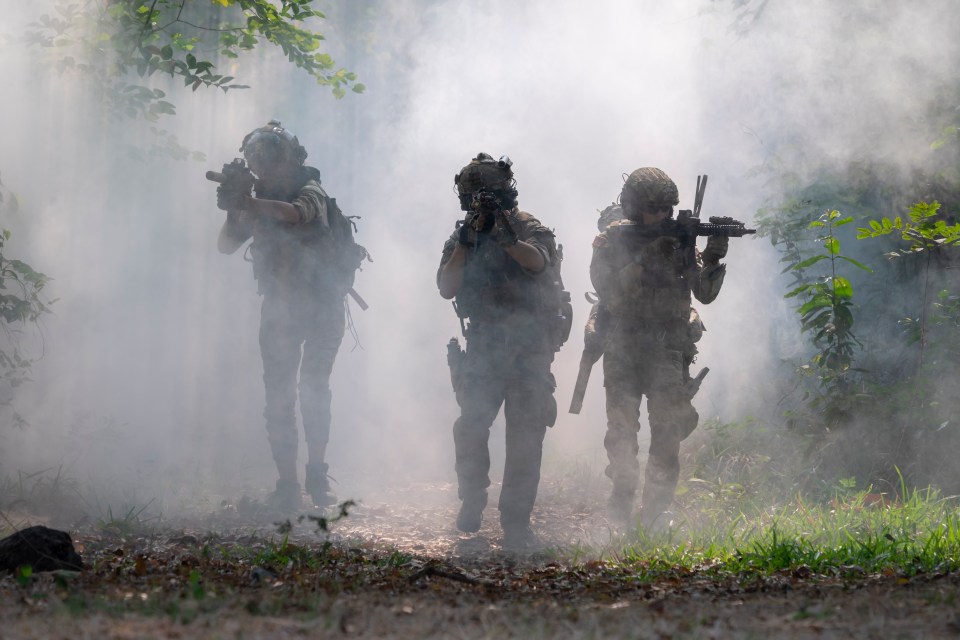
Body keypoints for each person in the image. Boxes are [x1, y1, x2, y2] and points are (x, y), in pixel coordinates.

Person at [214, 120, 365, 512]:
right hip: (280, 306)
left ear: (289, 158)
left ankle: (316, 474)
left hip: (322, 306)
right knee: (278, 396)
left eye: (271, 156)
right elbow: (226, 246)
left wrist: (246, 203)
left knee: (314, 389)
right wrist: (235, 208)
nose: (264, 164)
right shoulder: (259, 199)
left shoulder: (310, 189)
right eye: (257, 158)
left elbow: (296, 215)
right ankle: (287, 484)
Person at [437, 153, 565, 550]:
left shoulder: (529, 227)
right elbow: (446, 286)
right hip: (485, 345)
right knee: (470, 426)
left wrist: (507, 238)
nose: (484, 203)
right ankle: (473, 495)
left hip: (529, 347)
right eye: (476, 197)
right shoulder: (464, 235)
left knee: (525, 436)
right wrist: (467, 239)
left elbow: (539, 263)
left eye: (489, 195)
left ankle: (516, 522)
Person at [589, 167, 728, 528]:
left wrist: (711, 257)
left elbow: (705, 294)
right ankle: (621, 503)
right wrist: (643, 258)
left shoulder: (679, 240)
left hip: (666, 350)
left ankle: (655, 514)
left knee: (667, 434)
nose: (664, 215)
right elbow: (609, 292)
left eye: (668, 208)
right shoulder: (612, 241)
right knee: (622, 434)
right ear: (634, 208)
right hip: (623, 348)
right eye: (655, 208)